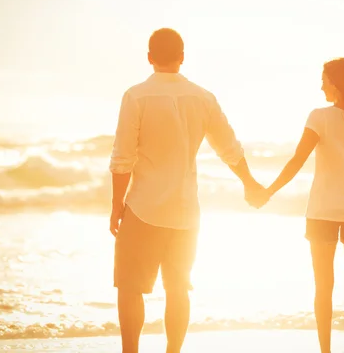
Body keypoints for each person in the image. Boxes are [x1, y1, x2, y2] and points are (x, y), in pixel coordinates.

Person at [108, 28, 263, 353]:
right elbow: (229, 149)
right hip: (187, 212)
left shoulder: (136, 96)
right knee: (178, 288)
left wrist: (116, 206)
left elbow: (123, 159)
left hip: (143, 208)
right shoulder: (203, 97)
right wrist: (249, 183)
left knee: (130, 288)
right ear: (182, 57)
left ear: (149, 58)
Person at [251, 58, 344, 353]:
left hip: (323, 211)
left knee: (323, 286)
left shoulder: (319, 117)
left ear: (336, 84)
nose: (321, 85)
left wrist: (269, 191)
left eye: (324, 79)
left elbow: (297, 161)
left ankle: (325, 349)